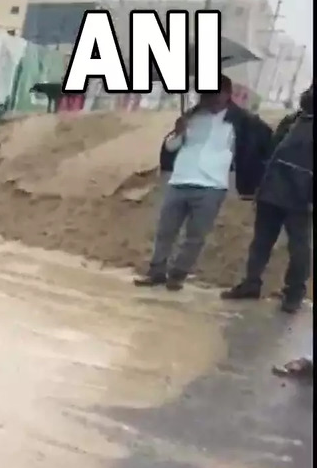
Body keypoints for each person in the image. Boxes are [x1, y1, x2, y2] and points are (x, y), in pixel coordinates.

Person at [134, 75, 273, 291]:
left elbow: (257, 147)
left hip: (212, 186)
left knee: (195, 236)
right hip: (180, 180)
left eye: (212, 93)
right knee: (166, 231)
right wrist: (178, 132)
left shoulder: (242, 121)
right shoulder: (191, 117)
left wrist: (249, 178)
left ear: (226, 94)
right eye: (204, 93)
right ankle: (156, 271)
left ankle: (177, 275)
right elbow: (171, 148)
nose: (206, 98)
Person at [221, 84, 314, 313]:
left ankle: (294, 293)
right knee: (261, 242)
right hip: (271, 191)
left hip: (301, 198)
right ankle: (251, 283)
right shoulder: (292, 120)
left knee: (299, 247)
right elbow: (272, 153)